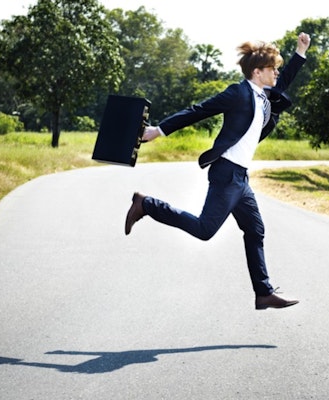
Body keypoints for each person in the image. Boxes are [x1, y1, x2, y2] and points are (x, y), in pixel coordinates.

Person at [125, 32, 311, 310]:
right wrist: (158, 130)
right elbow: (200, 110)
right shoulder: (238, 93)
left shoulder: (265, 96)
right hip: (226, 174)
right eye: (273, 68)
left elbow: (284, 82)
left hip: (241, 178)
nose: (277, 73)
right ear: (258, 72)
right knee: (204, 230)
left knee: (255, 230)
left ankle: (263, 292)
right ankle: (146, 205)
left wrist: (300, 52)